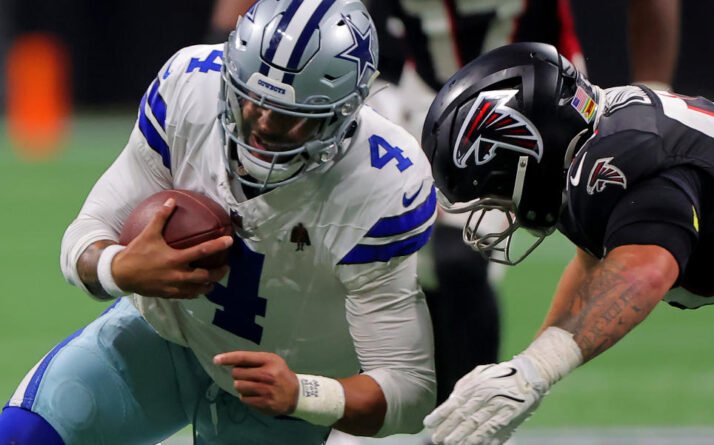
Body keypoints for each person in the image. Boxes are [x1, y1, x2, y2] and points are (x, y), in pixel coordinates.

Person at [0, 0, 437, 443]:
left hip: (282, 396)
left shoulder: (383, 183)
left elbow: (408, 391)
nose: (262, 125)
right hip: (167, 337)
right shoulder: (191, 86)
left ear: (342, 115)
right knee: (24, 434)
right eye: (252, 100)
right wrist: (119, 267)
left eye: (291, 115)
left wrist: (303, 395)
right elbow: (87, 232)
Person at [420, 41, 714, 445]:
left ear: (528, 147)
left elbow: (645, 270)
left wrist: (537, 370)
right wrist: (523, 372)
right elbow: (597, 265)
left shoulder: (622, 155)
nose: (502, 208)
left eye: (496, 189)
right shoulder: (597, 143)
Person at [364, 0, 681, 410]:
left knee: (460, 257)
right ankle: (445, 409)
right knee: (408, 264)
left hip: (535, 103)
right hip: (424, 97)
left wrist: (654, 92)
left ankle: (472, 417)